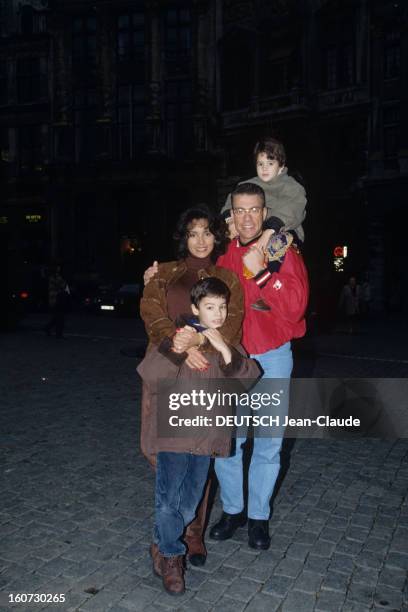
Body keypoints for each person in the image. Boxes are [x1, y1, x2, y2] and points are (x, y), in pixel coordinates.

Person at [138, 206, 244, 591]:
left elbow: (232, 322)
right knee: (167, 459)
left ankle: (189, 531)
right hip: (170, 371)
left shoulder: (227, 277)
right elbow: (151, 312)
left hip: (210, 377)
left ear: (217, 237)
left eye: (208, 233)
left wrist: (200, 338)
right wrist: (180, 342)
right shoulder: (163, 273)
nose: (200, 240)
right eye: (193, 233)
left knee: (201, 458)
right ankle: (170, 541)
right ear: (183, 236)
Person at [210, 182, 309, 550]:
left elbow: (296, 306)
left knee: (268, 444)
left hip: (272, 357)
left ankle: (258, 518)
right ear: (231, 215)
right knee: (228, 442)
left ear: (265, 213)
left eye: (254, 210)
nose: (247, 217)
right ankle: (233, 510)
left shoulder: (280, 249)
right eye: (240, 210)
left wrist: (263, 274)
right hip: (232, 360)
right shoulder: (223, 255)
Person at [221, 137, 307, 311]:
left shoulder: (292, 186)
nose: (265, 168)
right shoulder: (248, 184)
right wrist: (229, 220)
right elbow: (228, 203)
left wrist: (269, 231)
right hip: (257, 232)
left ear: (281, 165)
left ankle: (267, 294)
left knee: (276, 244)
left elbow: (293, 209)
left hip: (285, 229)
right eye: (260, 164)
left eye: (270, 163)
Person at [44, 265, 69, 338]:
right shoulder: (55, 277)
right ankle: (58, 333)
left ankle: (48, 328)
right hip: (57, 299)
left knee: (57, 317)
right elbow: (63, 285)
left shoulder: (54, 276)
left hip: (55, 299)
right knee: (60, 317)